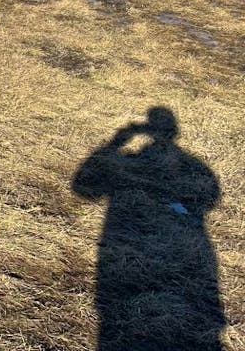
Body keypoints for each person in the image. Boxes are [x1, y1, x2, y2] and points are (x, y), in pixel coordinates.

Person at [72, 106, 224, 350]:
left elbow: (82, 186)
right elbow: (209, 196)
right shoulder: (192, 166)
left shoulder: (183, 166)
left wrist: (116, 142)